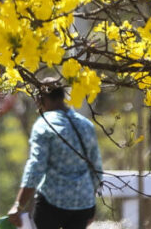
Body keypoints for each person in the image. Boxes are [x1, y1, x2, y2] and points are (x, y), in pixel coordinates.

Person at [7, 79, 103, 229]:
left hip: (52, 204)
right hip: (82, 203)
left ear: (41, 98)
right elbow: (96, 166)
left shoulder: (44, 125)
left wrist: (18, 205)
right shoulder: (86, 125)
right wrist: (91, 207)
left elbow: (36, 167)